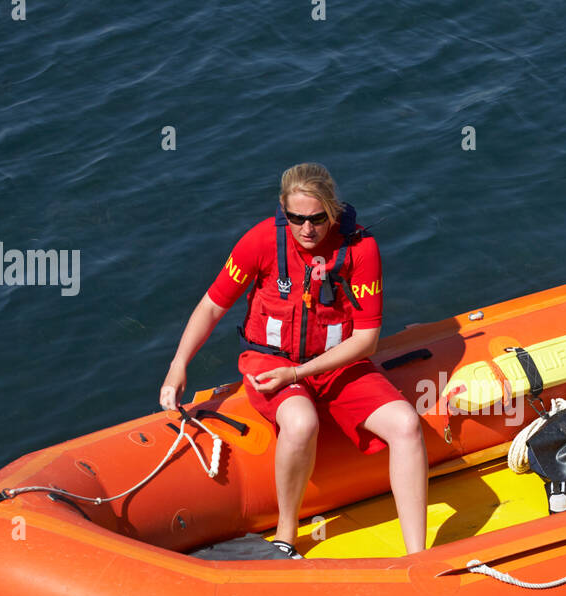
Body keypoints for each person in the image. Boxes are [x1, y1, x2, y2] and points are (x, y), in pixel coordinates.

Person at [159, 163, 427, 556]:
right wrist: (177, 365)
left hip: (335, 361)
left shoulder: (360, 249)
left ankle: (418, 555)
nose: (306, 229)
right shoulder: (261, 242)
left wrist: (299, 372)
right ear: (283, 212)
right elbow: (212, 307)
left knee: (406, 424)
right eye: (295, 218)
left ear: (333, 211)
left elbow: (367, 339)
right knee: (301, 422)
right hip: (269, 359)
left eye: (317, 219)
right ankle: (287, 534)